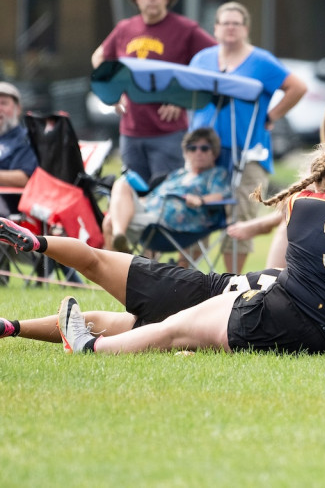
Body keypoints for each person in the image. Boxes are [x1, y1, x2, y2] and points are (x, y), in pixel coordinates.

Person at [50, 145, 325, 357]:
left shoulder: (297, 204)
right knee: (180, 330)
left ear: (315, 179)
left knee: (174, 327)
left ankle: (92, 348)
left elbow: (277, 269)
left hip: (283, 318)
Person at [0, 217, 282, 344]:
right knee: (103, 327)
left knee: (95, 262)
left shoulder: (299, 280)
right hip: (207, 322)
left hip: (195, 290)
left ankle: (37, 242)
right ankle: (12, 328)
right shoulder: (311, 296)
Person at [189, 1, 307, 273]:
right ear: (216, 28)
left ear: (246, 29)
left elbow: (297, 87)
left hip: (247, 153)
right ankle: (191, 282)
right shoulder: (202, 59)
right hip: (203, 153)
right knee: (196, 214)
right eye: (225, 23)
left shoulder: (261, 60)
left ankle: (230, 283)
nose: (230, 28)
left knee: (240, 216)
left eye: (236, 23)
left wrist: (272, 116)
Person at [91, 0, 216, 183]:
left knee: (166, 194)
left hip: (168, 133)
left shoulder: (186, 29)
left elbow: (215, 60)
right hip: (131, 131)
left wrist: (182, 98)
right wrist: (114, 92)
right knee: (134, 193)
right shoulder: (124, 29)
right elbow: (99, 57)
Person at [224, 96, 325, 266]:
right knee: (290, 217)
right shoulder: (321, 158)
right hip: (320, 215)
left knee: (290, 217)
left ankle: (264, 230)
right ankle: (272, 276)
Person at [102, 127, 231, 255]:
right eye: (192, 148)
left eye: (204, 148)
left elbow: (220, 196)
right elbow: (154, 195)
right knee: (121, 183)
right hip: (149, 212)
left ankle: (120, 252)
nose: (198, 152)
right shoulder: (178, 174)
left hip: (167, 225)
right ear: (186, 153)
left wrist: (201, 200)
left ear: (214, 152)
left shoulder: (216, 174)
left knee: (109, 222)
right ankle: (120, 237)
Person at [0, 82, 38, 216]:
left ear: (18, 109)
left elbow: (24, 178)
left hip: (12, 209)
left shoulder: (26, 139)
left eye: (3, 103)